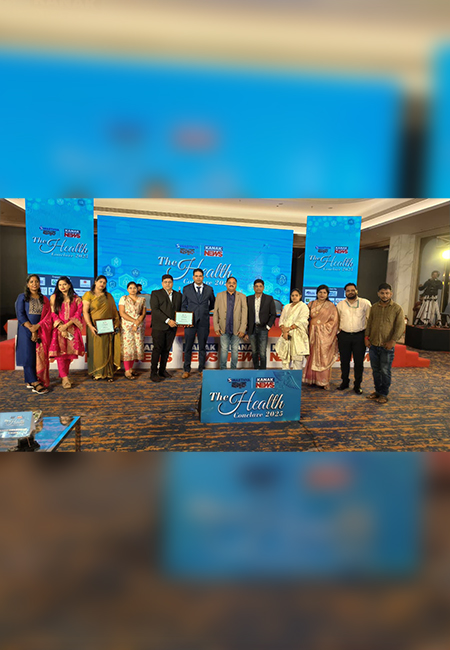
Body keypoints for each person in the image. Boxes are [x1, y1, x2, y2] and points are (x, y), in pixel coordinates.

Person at [365, 283, 405, 405]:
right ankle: (377, 391)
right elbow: (369, 323)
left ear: (391, 294)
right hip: (373, 345)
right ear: (378, 294)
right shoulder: (374, 307)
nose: (385, 295)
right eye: (382, 293)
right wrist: (367, 337)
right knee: (376, 371)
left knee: (385, 370)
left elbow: (400, 327)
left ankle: (384, 394)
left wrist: (393, 341)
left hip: (387, 346)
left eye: (387, 293)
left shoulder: (397, 308)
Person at [15, 274, 52, 394]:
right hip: (25, 329)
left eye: (36, 281)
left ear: (39, 284)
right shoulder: (22, 297)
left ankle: (32, 380)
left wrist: (37, 327)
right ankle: (34, 381)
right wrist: (32, 329)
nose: (34, 284)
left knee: (38, 356)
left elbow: (47, 316)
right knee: (28, 355)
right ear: (27, 284)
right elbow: (20, 314)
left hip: (40, 329)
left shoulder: (44, 299)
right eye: (31, 282)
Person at [82, 275, 121, 381]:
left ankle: (109, 373)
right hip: (95, 328)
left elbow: (114, 311)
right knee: (97, 350)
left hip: (108, 328)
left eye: (104, 282)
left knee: (108, 349)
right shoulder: (88, 295)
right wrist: (90, 326)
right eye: (100, 282)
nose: (102, 284)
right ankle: (97, 373)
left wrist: (115, 324)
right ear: (95, 282)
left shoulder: (109, 296)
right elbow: (85, 312)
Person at [49, 276, 85, 389]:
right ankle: (65, 378)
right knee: (60, 354)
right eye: (60, 285)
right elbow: (53, 313)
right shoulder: (54, 297)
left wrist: (66, 326)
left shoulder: (77, 299)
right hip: (59, 329)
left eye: (64, 284)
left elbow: (77, 314)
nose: (62, 287)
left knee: (69, 355)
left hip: (72, 329)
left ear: (69, 285)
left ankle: (64, 374)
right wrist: (61, 327)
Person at [336, 283, 371, 395]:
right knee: (344, 361)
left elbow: (369, 320)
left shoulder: (365, 303)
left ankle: (357, 385)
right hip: (344, 336)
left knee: (359, 362)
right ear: (345, 292)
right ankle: (344, 382)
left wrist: (367, 336)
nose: (350, 292)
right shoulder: (340, 304)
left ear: (356, 291)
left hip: (359, 336)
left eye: (352, 290)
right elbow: (337, 320)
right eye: (348, 291)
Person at [302, 284, 339, 390]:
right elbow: (305, 317)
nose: (322, 294)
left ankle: (323, 381)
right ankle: (311, 379)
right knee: (312, 355)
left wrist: (320, 328)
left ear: (327, 294)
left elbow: (334, 322)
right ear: (317, 293)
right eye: (320, 292)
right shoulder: (311, 304)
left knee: (323, 357)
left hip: (324, 335)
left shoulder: (331, 306)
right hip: (312, 334)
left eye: (324, 293)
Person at [181, 268, 215, 379]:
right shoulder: (186, 289)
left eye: (200, 276)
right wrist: (186, 319)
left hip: (204, 322)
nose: (198, 278)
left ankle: (201, 369)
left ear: (203, 277)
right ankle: (186, 370)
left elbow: (212, 304)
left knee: (202, 347)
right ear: (193, 277)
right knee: (188, 347)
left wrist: (204, 311)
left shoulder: (209, 289)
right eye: (196, 276)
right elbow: (183, 305)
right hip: (190, 323)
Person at [150, 274, 182, 382]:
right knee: (157, 349)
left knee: (166, 350)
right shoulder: (155, 294)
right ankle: (153, 373)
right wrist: (168, 320)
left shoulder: (178, 295)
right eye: (165, 282)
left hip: (172, 327)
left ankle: (162, 370)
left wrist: (184, 320)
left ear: (173, 283)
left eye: (170, 282)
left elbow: (180, 310)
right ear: (162, 283)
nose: (168, 284)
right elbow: (155, 309)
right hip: (159, 326)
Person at [213, 277, 248, 370]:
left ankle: (233, 370)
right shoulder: (219, 295)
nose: (231, 284)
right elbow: (215, 312)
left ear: (236, 285)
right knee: (224, 350)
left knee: (235, 350)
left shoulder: (242, 296)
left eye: (233, 283)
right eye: (229, 283)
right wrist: (216, 327)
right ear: (226, 284)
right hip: (223, 328)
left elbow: (244, 314)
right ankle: (223, 370)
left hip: (237, 329)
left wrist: (242, 329)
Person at [246, 279, 277, 370]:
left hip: (263, 328)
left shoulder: (269, 298)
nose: (258, 288)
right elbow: (245, 314)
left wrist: (268, 326)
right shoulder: (248, 299)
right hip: (252, 328)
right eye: (256, 286)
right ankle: (256, 370)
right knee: (254, 351)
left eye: (260, 286)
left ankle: (263, 372)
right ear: (253, 288)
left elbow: (273, 314)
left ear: (263, 288)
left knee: (262, 352)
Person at [275, 288, 309, 370]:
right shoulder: (287, 306)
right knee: (285, 360)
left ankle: (296, 378)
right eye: (292, 295)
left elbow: (302, 320)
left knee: (297, 360)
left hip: (298, 335)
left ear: (300, 296)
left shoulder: (303, 306)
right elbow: (281, 320)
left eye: (296, 295)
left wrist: (289, 328)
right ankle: (285, 377)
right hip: (286, 335)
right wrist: (284, 330)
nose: (294, 297)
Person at [119, 281, 146, 380]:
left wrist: (138, 322)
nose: (133, 289)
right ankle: (127, 371)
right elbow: (122, 313)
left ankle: (130, 369)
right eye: (130, 288)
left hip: (138, 326)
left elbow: (143, 313)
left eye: (134, 288)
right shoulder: (123, 298)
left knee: (135, 347)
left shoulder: (142, 299)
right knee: (128, 348)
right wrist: (134, 321)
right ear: (127, 289)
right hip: (127, 326)